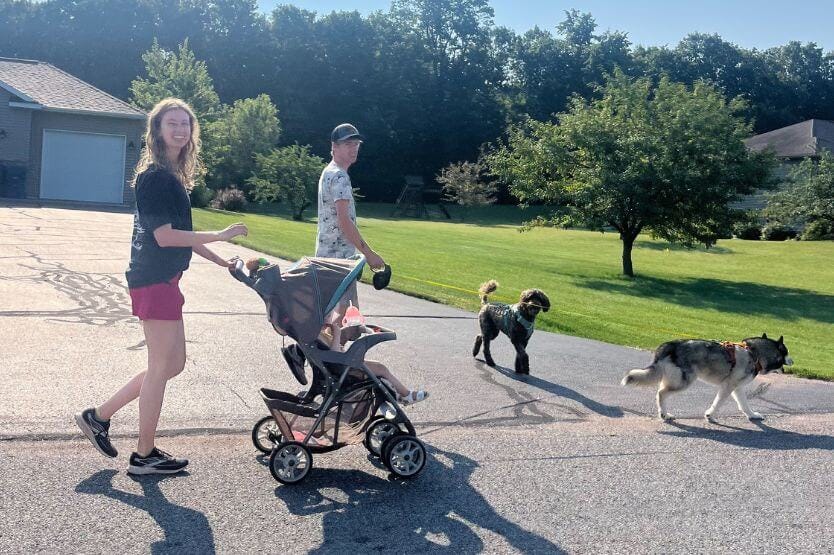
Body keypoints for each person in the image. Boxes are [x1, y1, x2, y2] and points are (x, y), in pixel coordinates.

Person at [75, 98, 248, 475]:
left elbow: (181, 235)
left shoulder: (170, 176)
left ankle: (99, 417)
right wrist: (220, 234)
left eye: (186, 124)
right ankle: (144, 454)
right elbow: (167, 237)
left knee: (173, 364)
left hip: (164, 281)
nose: (181, 130)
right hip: (153, 281)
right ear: (157, 130)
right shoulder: (154, 178)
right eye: (173, 123)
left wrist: (222, 261)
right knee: (160, 367)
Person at [314, 123, 427, 404]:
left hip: (333, 262)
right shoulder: (338, 177)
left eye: (356, 144)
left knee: (343, 327)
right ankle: (356, 386)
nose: (353, 149)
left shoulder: (330, 173)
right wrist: (370, 254)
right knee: (343, 328)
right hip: (339, 265)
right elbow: (344, 222)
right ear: (334, 146)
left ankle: (357, 386)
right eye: (348, 144)